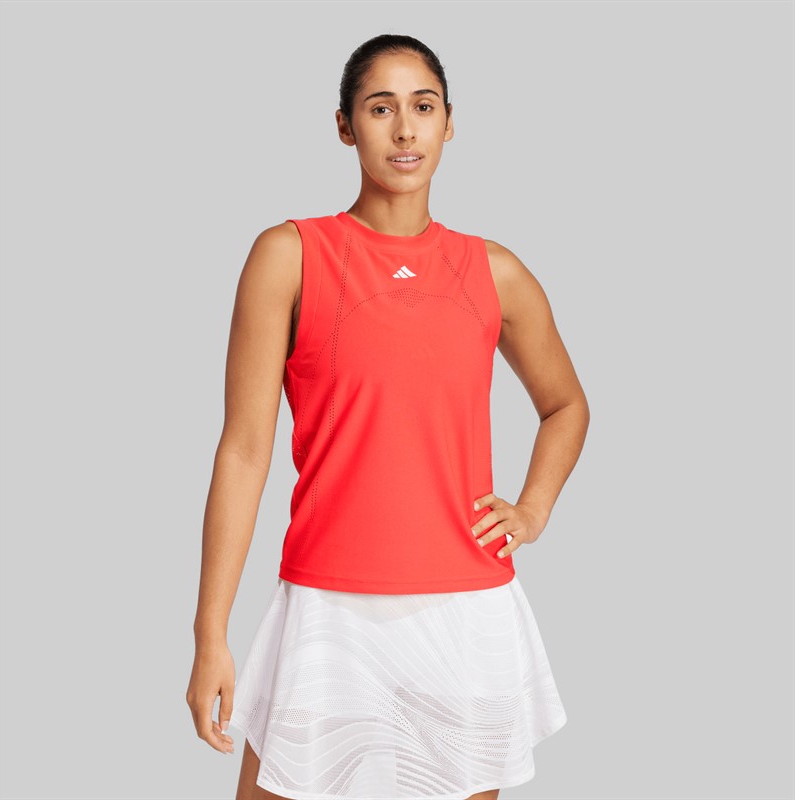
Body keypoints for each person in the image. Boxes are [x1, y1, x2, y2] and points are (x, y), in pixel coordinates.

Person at [186, 33, 590, 800]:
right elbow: (243, 451)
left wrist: (533, 509)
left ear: (449, 123)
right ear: (345, 126)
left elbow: (566, 405)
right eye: (381, 108)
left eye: (423, 107)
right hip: (328, 610)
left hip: (465, 609)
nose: (405, 129)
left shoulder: (494, 271)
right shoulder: (289, 256)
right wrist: (211, 632)